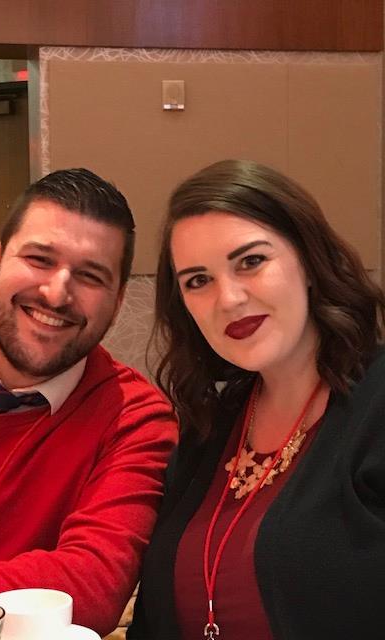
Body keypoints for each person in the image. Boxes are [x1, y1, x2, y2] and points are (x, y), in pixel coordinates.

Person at [0, 168, 177, 637]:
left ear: (117, 302)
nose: (56, 293)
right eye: (39, 259)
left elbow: (93, 585)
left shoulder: (135, 418)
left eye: (91, 276)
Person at [128, 159, 385, 639]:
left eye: (251, 261)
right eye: (198, 280)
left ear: (309, 261)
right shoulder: (212, 423)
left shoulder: (375, 406)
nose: (228, 299)